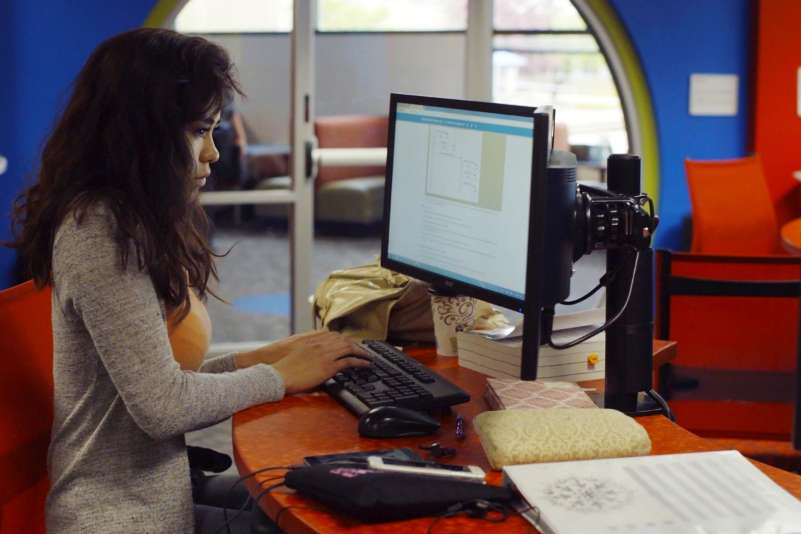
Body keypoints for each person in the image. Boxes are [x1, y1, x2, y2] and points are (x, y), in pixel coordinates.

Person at [8, 28, 369, 533]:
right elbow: (162, 407)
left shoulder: (125, 218)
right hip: (122, 518)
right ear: (142, 133)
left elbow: (153, 384)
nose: (213, 155)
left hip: (158, 493)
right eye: (199, 132)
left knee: (309, 496)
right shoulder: (100, 232)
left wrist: (262, 358)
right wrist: (281, 377)